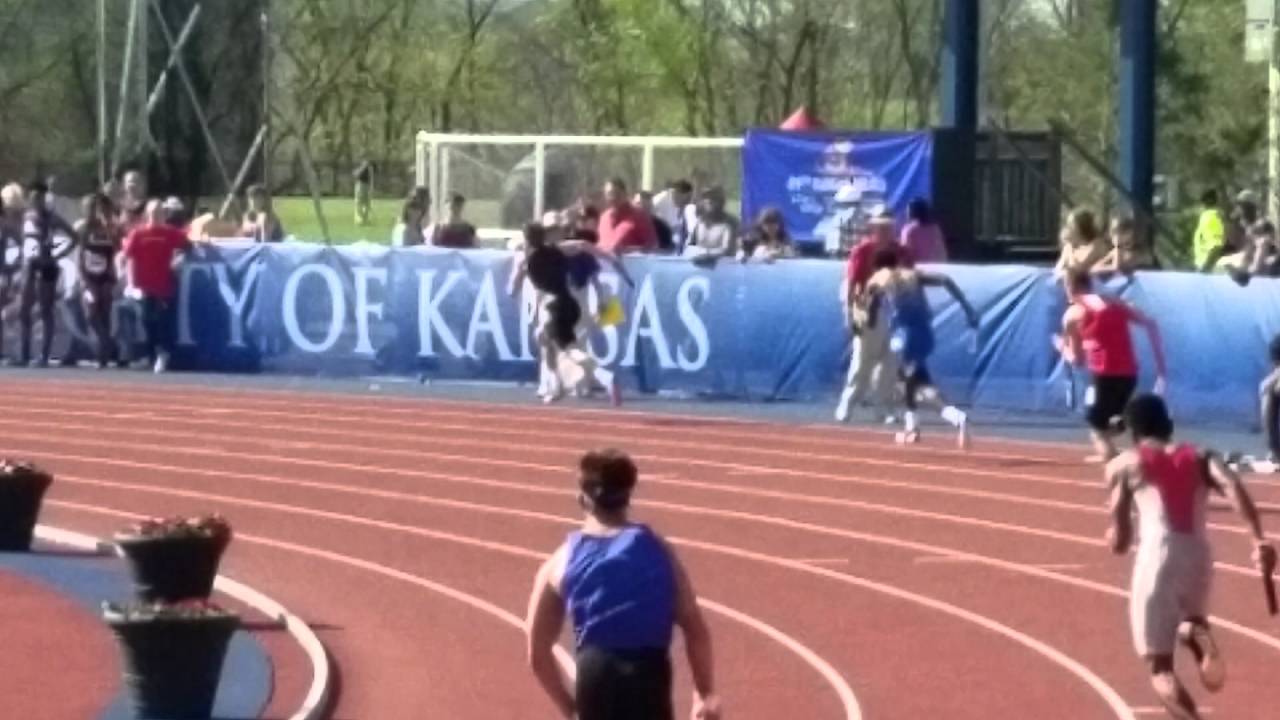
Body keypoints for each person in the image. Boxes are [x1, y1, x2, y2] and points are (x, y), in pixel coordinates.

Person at [1105, 394, 1276, 720]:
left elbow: (1121, 541)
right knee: (1188, 618)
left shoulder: (1125, 465)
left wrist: (1113, 533)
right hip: (1199, 555)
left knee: (1159, 669)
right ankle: (1194, 632)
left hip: (1158, 554)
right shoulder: (1200, 455)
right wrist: (1258, 539)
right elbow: (1232, 486)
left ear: (1134, 431)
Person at [526, 449, 720, 720]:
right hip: (647, 676)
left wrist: (569, 708)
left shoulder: (559, 561)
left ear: (583, 499)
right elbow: (695, 628)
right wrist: (704, 694)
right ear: (628, 496)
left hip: (595, 677)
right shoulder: (658, 550)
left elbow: (536, 653)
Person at [863, 247, 979, 447]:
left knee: (906, 382)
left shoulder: (878, 279)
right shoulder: (912, 275)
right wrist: (967, 307)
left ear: (876, 266)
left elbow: (871, 317)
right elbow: (945, 280)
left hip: (905, 335)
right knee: (916, 381)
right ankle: (913, 429)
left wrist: (869, 314)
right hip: (925, 334)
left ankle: (955, 418)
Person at [1055, 270, 1167, 462]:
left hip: (1104, 375)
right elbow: (1150, 323)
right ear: (1089, 285)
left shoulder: (1072, 315)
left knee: (1096, 426)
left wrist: (1062, 348)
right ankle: (1126, 430)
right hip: (1129, 374)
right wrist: (1161, 366)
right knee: (1109, 418)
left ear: (1070, 288)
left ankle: (1113, 456)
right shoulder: (1115, 303)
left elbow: (1077, 360)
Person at [508, 223, 624, 405]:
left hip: (554, 307)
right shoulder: (557, 250)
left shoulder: (525, 261)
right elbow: (583, 245)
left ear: (527, 240)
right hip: (570, 303)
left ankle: (604, 376)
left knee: (570, 350)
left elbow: (512, 289)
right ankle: (556, 386)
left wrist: (515, 286)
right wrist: (609, 258)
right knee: (541, 337)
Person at [836, 210, 914, 424]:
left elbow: (906, 280)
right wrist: (849, 313)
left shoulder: (901, 251)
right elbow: (852, 284)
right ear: (873, 229)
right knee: (862, 360)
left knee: (890, 362)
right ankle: (848, 402)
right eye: (881, 227)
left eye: (889, 227)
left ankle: (884, 408)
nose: (886, 231)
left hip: (894, 312)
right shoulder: (862, 251)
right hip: (867, 308)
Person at [120, 204, 193, 373]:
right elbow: (127, 257)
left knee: (161, 321)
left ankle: (162, 354)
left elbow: (188, 245)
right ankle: (152, 355)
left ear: (163, 215)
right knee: (146, 320)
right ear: (147, 215)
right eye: (153, 213)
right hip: (144, 286)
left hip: (164, 285)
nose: (155, 216)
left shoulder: (170, 233)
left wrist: (179, 260)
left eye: (159, 213)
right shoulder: (138, 233)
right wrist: (129, 282)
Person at [18, 180, 79, 367]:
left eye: (40, 197)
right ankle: (24, 354)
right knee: (23, 310)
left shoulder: (51, 217)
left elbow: (74, 237)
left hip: (46, 265)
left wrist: (57, 254)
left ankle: (44, 355)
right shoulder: (27, 216)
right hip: (29, 265)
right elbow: (24, 238)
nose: (36, 200)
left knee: (46, 310)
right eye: (33, 197)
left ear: (44, 198)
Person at [75, 193, 121, 368]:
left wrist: (109, 229)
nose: (98, 212)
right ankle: (105, 342)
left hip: (106, 276)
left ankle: (103, 358)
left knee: (105, 313)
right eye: (94, 209)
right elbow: (79, 255)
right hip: (89, 276)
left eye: (102, 208)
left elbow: (118, 248)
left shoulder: (112, 228)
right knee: (91, 313)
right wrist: (84, 281)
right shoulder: (83, 228)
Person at [599, 179, 658, 255]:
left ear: (625, 194)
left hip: (633, 265)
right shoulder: (604, 218)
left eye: (617, 194)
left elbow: (653, 248)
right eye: (609, 194)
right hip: (606, 265)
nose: (613, 197)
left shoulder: (639, 216)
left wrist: (628, 250)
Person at [685, 187, 739, 267]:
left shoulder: (730, 222)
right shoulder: (700, 222)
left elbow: (728, 250)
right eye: (705, 198)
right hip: (700, 267)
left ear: (720, 202)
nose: (708, 201)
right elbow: (690, 246)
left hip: (724, 269)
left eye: (713, 198)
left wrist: (708, 255)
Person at [1053, 208, 1109, 278]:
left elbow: (1078, 270)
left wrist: (1070, 248)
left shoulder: (1097, 245)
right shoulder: (1073, 245)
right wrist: (1068, 247)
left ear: (1081, 226)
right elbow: (1058, 269)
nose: (1068, 228)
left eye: (1071, 224)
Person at [1094, 216, 1159, 276]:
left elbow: (1116, 267)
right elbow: (1099, 265)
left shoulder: (1144, 251)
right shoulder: (1117, 250)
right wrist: (1098, 268)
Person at [900, 198, 947, 263]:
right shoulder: (935, 228)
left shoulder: (909, 230)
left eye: (908, 210)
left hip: (919, 268)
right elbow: (941, 251)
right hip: (939, 266)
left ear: (912, 212)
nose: (906, 212)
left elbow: (905, 253)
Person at [1192, 190, 1227, 273]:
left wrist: (1205, 270)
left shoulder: (1210, 217)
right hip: (1206, 267)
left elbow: (1216, 246)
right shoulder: (1208, 217)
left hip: (1209, 270)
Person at [353, 160, 373, 226]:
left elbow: (355, 174)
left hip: (362, 186)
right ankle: (362, 219)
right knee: (364, 204)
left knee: (361, 203)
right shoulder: (367, 169)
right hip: (363, 186)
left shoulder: (364, 169)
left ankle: (361, 219)